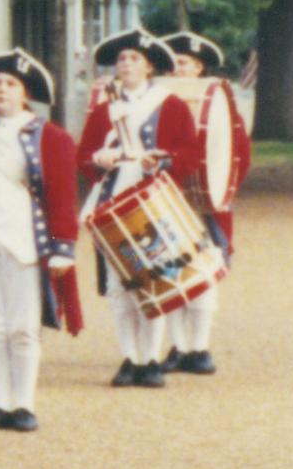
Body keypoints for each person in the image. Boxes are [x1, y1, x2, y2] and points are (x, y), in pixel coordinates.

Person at [0, 51, 84, 432]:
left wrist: (63, 247)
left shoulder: (51, 136)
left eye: (10, 84)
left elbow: (60, 195)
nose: (1, 90)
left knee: (23, 327)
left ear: (26, 93)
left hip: (26, 241)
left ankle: (23, 404)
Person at [76, 29, 201, 387]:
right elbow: (83, 156)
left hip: (152, 200)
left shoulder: (170, 104)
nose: (126, 64)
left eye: (134, 59)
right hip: (113, 198)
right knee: (119, 285)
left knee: (152, 280)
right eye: (121, 59)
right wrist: (100, 159)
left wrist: (160, 162)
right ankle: (129, 357)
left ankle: (149, 359)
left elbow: (190, 154)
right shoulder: (104, 111)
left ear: (149, 66)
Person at [159, 29, 249, 375]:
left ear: (199, 68)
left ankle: (199, 348)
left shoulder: (220, 104)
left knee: (203, 274)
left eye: (184, 63)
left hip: (204, 204)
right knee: (167, 273)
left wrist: (218, 190)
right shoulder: (156, 101)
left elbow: (239, 155)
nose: (178, 69)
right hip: (164, 200)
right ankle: (177, 346)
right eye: (173, 64)